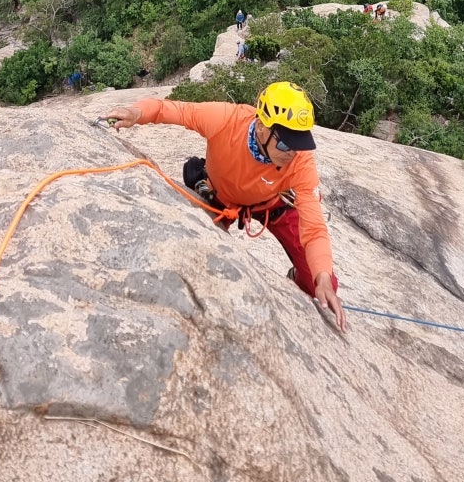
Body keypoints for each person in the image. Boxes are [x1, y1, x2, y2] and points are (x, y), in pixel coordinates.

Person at [110, 81, 346, 334]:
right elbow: (170, 110)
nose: (293, 152)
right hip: (224, 197)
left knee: (320, 284)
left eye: (299, 143)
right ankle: (201, 178)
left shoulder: (300, 162)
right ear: (263, 127)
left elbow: (314, 225)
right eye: (286, 144)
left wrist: (321, 276)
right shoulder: (226, 120)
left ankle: (297, 279)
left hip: (271, 205)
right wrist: (137, 113)